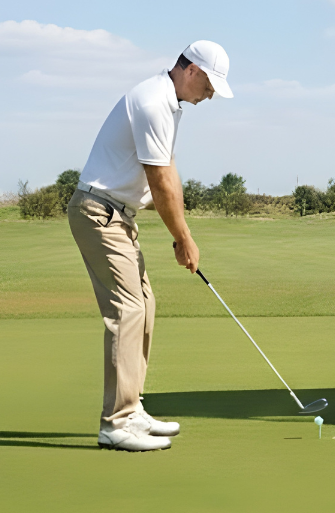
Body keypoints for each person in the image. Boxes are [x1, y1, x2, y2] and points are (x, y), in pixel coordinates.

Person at [68, 41, 233, 452]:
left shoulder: (168, 103)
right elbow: (158, 182)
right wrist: (183, 238)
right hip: (99, 211)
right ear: (191, 70)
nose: (211, 94)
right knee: (128, 308)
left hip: (118, 215)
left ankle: (132, 407)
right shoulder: (152, 100)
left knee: (145, 303)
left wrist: (185, 233)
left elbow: (169, 169)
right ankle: (116, 422)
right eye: (210, 84)